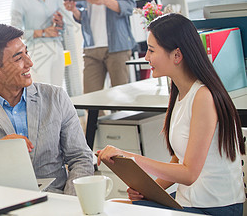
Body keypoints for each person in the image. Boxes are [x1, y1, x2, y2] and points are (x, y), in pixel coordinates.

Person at [97, 13, 245, 215]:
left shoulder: (203, 97)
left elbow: (189, 173)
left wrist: (130, 157)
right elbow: (179, 160)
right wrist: (150, 191)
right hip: (189, 200)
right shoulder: (179, 92)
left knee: (115, 210)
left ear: (177, 55)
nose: (146, 57)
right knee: (112, 205)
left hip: (214, 207)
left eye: (151, 50)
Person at [0, 23, 94, 195]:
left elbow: (81, 158)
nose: (29, 63)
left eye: (26, 52)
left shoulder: (55, 97)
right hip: (1, 204)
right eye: (18, 58)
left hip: (56, 202)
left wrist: (70, 204)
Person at [11, 0, 68, 86]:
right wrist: (42, 32)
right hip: (37, 52)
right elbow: (15, 32)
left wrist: (60, 23)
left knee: (57, 94)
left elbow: (62, 28)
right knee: (42, 95)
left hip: (57, 48)